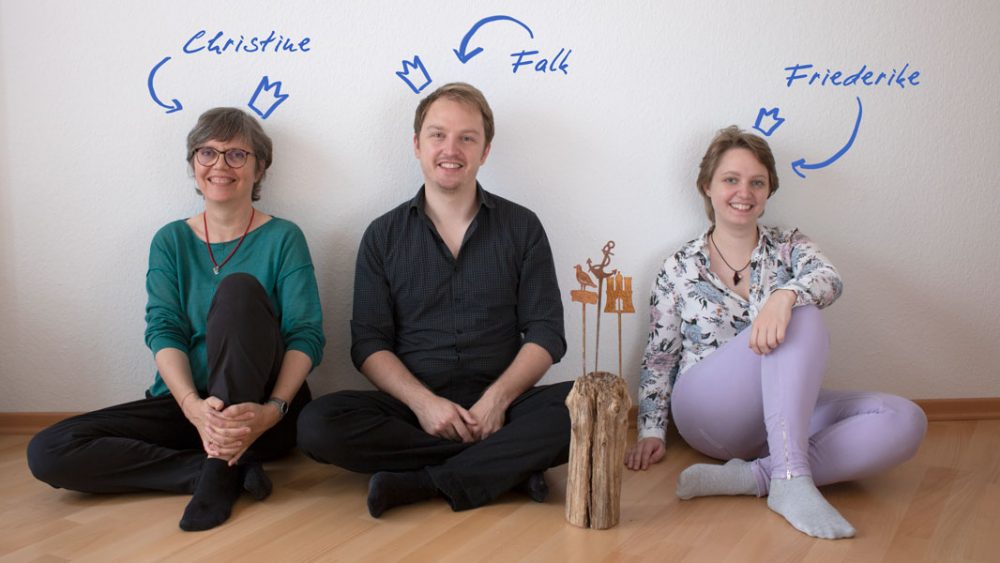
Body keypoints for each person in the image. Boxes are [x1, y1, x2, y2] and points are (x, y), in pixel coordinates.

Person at [27, 107, 325, 532]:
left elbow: (305, 335)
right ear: (193, 163)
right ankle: (211, 470)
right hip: (187, 408)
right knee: (49, 450)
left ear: (260, 168)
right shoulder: (170, 240)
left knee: (238, 290)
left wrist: (273, 410)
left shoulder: (283, 237)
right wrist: (193, 408)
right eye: (208, 153)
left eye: (237, 155)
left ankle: (219, 469)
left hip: (260, 416)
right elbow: (163, 329)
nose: (220, 165)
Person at [625, 126, 927, 539]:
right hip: (706, 409)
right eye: (731, 179)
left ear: (769, 192)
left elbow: (829, 279)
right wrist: (651, 430)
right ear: (707, 186)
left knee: (905, 420)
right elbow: (660, 357)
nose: (744, 192)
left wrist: (784, 294)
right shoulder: (678, 266)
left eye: (757, 182)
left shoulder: (789, 245)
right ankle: (790, 477)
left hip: (778, 421)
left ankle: (760, 476)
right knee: (801, 314)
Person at [297, 82, 571, 518]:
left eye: (467, 138)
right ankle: (505, 467)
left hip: (504, 404)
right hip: (412, 409)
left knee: (588, 406)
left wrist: (496, 401)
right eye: (438, 135)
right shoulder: (382, 235)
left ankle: (424, 481)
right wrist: (425, 405)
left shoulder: (522, 227)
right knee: (316, 424)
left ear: (485, 151)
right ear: (417, 145)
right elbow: (369, 343)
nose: (451, 149)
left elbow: (546, 333)